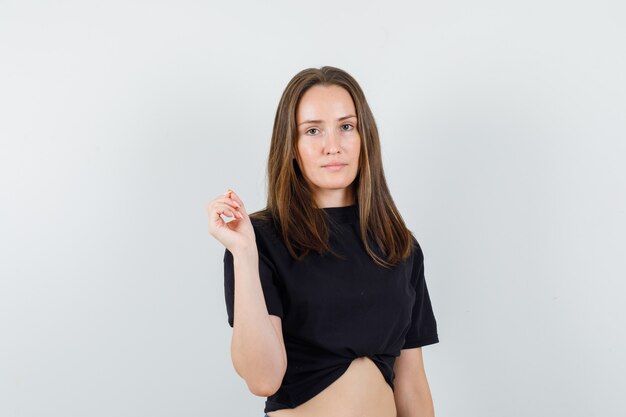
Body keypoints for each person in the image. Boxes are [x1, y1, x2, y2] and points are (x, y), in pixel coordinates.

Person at [207, 66, 439, 417]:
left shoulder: (399, 245)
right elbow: (262, 380)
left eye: (346, 127)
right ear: (292, 145)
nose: (333, 146)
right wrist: (242, 252)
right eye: (313, 130)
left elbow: (412, 383)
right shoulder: (260, 240)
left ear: (365, 138)